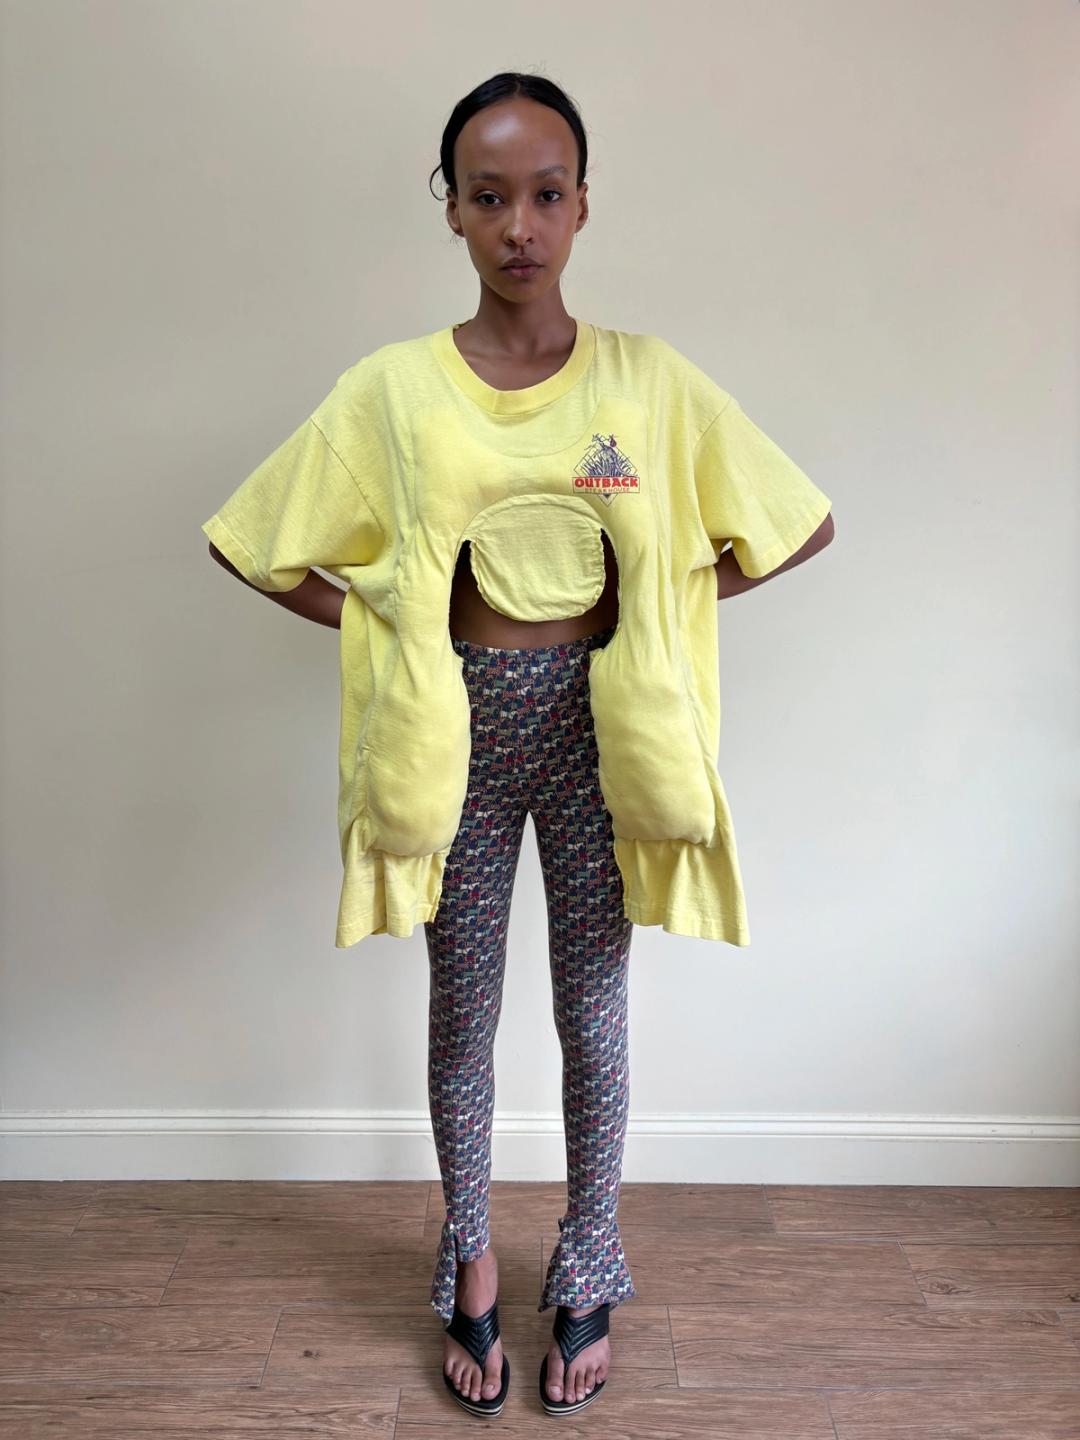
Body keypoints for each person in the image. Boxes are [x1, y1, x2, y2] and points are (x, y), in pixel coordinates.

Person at [204, 69, 834, 1421]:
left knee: (593, 1012)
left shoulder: (646, 382)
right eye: (489, 197)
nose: (520, 226)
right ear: (451, 209)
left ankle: (590, 1257)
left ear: (584, 205)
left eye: (547, 195)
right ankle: (473, 1260)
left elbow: (795, 522)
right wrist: (388, 626)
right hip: (461, 730)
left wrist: (664, 604)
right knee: (465, 1010)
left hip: (603, 727)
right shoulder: (393, 392)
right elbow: (258, 544)